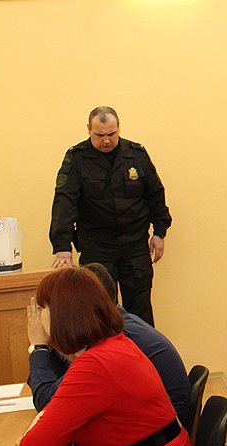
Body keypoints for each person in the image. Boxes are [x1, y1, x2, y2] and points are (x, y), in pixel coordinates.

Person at [15, 267, 199, 446]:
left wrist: (37, 434)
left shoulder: (94, 365)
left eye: (41, 308)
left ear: (61, 314)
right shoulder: (117, 345)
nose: (37, 318)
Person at [49, 106, 172, 326]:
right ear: (89, 129)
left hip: (134, 245)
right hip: (97, 246)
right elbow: (65, 201)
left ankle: (142, 349)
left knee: (140, 310)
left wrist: (159, 232)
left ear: (119, 129)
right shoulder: (76, 159)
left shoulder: (136, 154)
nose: (106, 140)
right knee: (99, 311)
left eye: (111, 134)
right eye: (99, 135)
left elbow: (155, 193)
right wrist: (62, 245)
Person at [27, 263, 189, 414]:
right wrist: (47, 347)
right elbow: (74, 379)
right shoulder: (121, 325)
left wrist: (39, 346)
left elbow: (48, 403)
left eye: (43, 309)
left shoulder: (117, 336)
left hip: (163, 424)